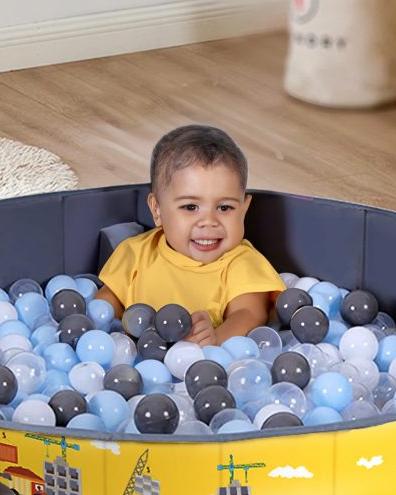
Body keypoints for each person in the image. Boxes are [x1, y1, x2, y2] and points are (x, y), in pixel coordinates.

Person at [96, 125, 285, 346]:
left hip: (207, 363)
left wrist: (217, 338)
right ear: (157, 210)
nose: (209, 221)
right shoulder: (135, 253)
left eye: (224, 208)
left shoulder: (242, 262)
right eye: (190, 207)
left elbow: (249, 313)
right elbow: (108, 300)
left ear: (244, 209)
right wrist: (110, 329)